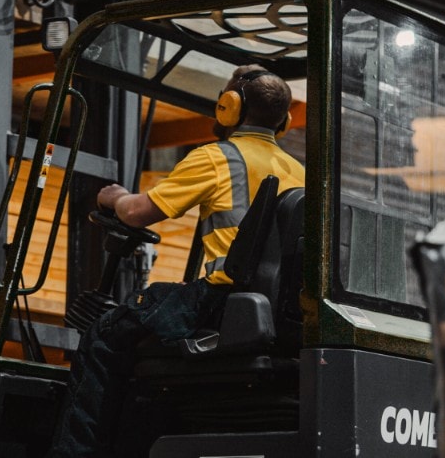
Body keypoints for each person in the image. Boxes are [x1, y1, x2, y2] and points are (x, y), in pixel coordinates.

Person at [47, 65, 306, 458]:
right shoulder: (300, 173)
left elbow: (136, 213)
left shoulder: (219, 158)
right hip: (272, 312)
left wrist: (113, 197)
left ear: (228, 108)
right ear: (284, 120)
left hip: (219, 302)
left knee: (106, 331)